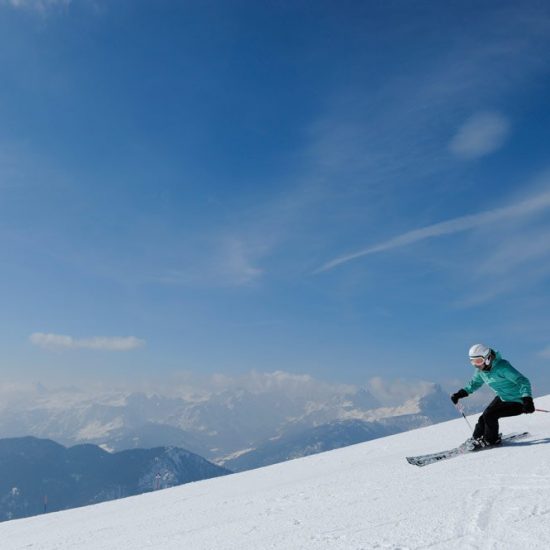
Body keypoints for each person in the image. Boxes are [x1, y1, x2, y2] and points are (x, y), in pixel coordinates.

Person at [451, 343, 534, 448]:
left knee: (490, 416)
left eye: (478, 361)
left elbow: (522, 381)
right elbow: (474, 383)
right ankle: (475, 439)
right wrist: (460, 394)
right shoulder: (481, 371)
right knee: (483, 417)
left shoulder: (502, 367)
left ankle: (491, 440)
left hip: (518, 401)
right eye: (473, 362)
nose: (476, 365)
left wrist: (527, 400)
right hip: (503, 398)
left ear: (487, 358)